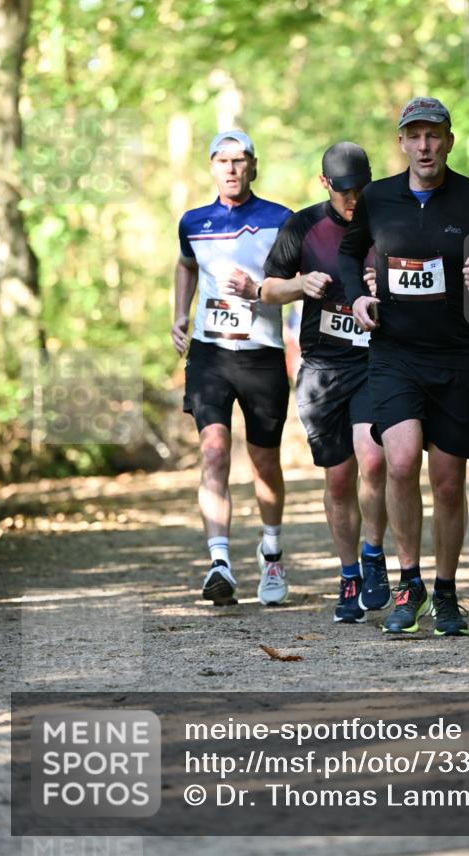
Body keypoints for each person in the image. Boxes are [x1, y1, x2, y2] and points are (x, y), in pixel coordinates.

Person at [339, 98, 469, 635]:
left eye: (434, 135)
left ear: (448, 140)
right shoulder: (377, 199)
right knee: (399, 463)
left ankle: (445, 593)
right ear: (401, 143)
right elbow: (349, 257)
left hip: (452, 356)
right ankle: (409, 582)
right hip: (393, 352)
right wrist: (355, 298)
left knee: (447, 481)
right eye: (414, 136)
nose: (424, 146)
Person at [262, 142, 390, 623]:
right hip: (324, 367)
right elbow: (267, 287)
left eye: (360, 189)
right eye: (343, 191)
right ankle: (350, 572)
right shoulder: (304, 226)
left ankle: (375, 557)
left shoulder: (387, 221)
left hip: (378, 361)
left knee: (374, 460)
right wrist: (302, 285)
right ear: (325, 185)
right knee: (339, 480)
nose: (353, 199)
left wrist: (387, 289)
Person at [171, 129, 293, 608]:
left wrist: (260, 289)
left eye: (239, 160)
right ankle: (219, 562)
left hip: (262, 355)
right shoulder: (193, 222)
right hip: (210, 355)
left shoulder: (281, 219)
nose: (231, 168)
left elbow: (299, 280)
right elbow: (185, 265)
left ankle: (272, 551)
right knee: (214, 452)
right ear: (211, 167)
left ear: (253, 166)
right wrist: (180, 314)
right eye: (222, 160)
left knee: (264, 463)